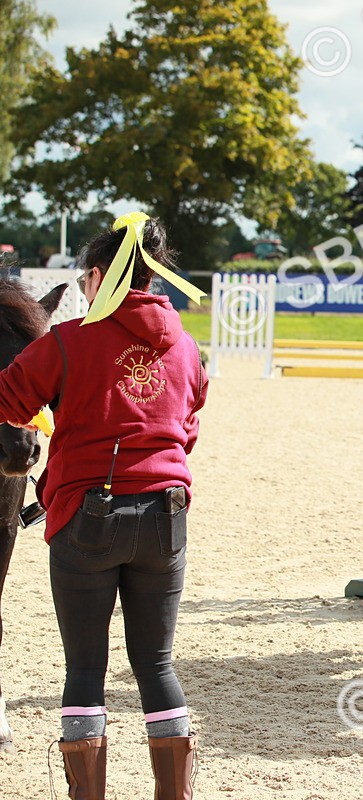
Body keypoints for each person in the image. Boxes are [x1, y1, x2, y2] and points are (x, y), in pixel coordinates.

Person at [0, 213, 207, 799]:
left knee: (86, 674)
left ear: (97, 278)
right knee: (157, 668)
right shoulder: (187, 347)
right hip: (166, 518)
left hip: (87, 519)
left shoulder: (70, 341)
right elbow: (186, 427)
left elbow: (8, 401)